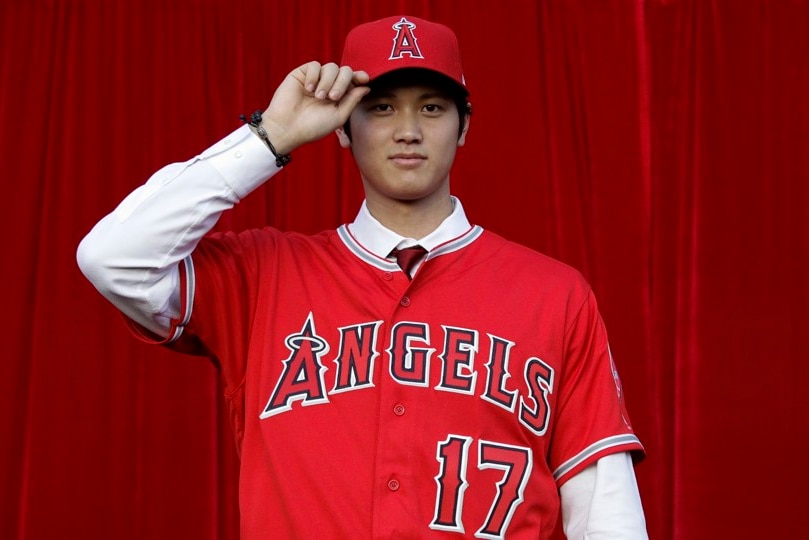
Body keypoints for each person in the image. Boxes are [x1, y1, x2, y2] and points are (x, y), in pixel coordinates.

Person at [77, 14, 647, 539]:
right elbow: (113, 257)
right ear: (342, 129)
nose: (407, 130)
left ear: (464, 125)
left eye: (431, 107)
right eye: (380, 108)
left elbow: (605, 508)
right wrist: (269, 136)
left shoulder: (554, 294)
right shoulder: (260, 276)